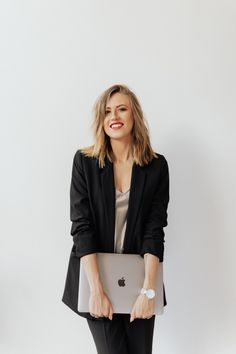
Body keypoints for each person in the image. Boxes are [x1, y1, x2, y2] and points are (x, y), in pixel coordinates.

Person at [62, 84, 170, 354]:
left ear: (134, 115)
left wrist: (148, 292)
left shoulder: (156, 166)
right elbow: (82, 228)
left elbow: (154, 231)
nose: (114, 116)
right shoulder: (84, 162)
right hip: (95, 278)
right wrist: (96, 291)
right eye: (107, 111)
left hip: (138, 280)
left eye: (121, 108)